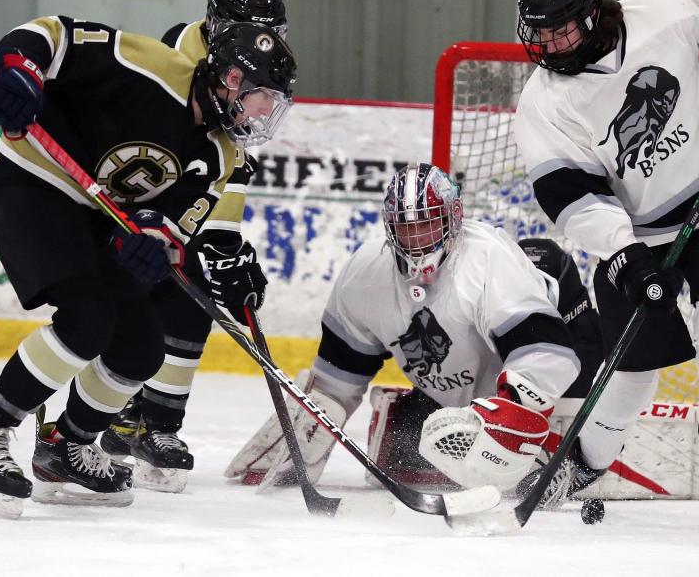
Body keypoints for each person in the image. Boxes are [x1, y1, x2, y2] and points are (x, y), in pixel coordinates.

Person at [0, 14, 296, 518]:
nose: (265, 113)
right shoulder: (149, 67)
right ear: (232, 79)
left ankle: (66, 447)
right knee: (87, 319)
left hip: (92, 218)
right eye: (266, 96)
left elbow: (169, 224)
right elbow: (49, 35)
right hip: (29, 183)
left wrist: (153, 242)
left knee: (139, 347)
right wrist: (19, 70)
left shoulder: (220, 155)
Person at [512, 0, 699, 522]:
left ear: (590, 13)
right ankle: (582, 463)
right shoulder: (543, 103)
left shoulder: (662, 5)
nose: (550, 45)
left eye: (561, 30)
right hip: (633, 238)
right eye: (541, 33)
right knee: (630, 375)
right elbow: (571, 195)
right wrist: (626, 255)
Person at [224, 163, 601, 495]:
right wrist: (305, 432)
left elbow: (550, 354)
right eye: (406, 228)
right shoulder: (365, 274)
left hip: (556, 361)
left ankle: (582, 443)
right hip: (462, 402)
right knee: (402, 457)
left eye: (426, 224)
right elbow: (338, 379)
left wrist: (509, 418)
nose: (416, 239)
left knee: (544, 254)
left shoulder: (486, 258)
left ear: (453, 217)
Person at [98, 0, 288, 492]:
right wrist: (186, 234)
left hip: (193, 201)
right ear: (216, 21)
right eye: (246, 23)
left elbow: (231, 162)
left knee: (195, 300)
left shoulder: (256, 63)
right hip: (145, 201)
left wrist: (223, 243)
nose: (259, 34)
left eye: (269, 25)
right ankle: (111, 418)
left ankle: (157, 425)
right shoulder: (181, 53)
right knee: (133, 305)